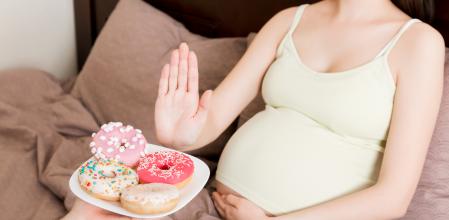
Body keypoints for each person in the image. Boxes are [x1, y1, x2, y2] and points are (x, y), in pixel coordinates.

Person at [64, 0, 445, 219]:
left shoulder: (418, 43)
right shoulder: (289, 20)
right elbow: (211, 118)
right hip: (214, 203)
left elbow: (393, 197)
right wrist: (181, 133)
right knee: (90, 210)